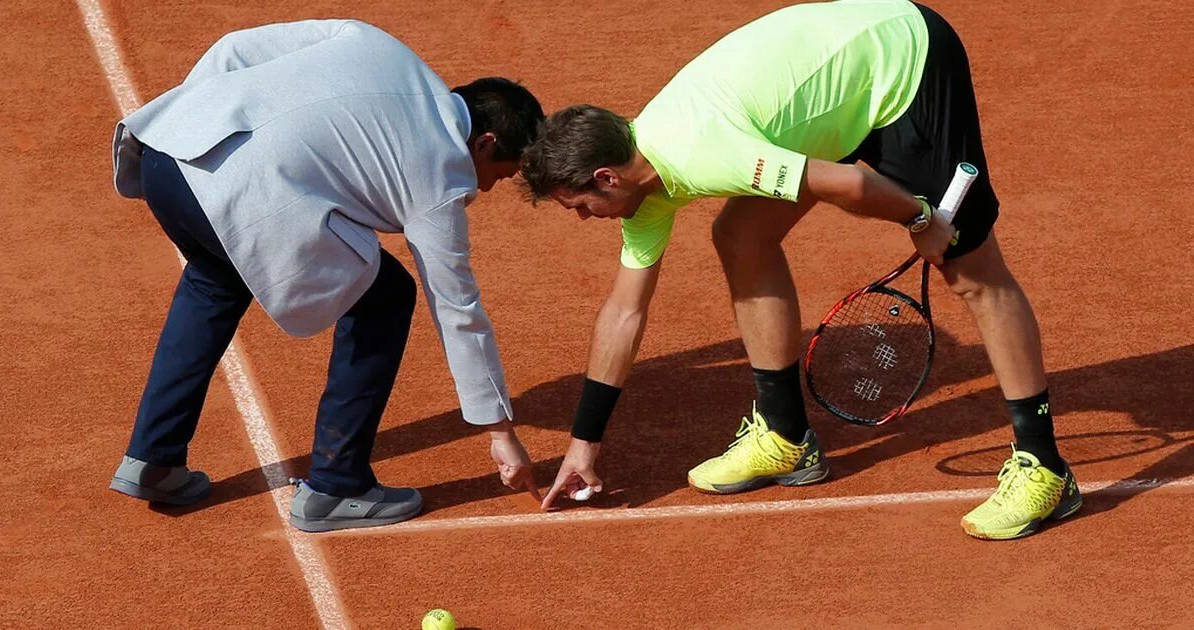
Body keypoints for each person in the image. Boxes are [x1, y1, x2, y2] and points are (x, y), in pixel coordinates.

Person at [521, 0, 1081, 539]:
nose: (583, 219)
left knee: (971, 270)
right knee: (741, 235)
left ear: (606, 178)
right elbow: (624, 313)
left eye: (579, 206)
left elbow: (849, 185)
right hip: (833, 90)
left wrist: (919, 217)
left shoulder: (700, 151)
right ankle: (786, 434)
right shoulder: (644, 179)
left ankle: (1045, 468)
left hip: (904, 66)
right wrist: (582, 446)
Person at [107, 19, 544, 532]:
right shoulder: (442, 170)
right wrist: (500, 432)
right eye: (502, 173)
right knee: (385, 298)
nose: (488, 188)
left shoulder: (376, 42)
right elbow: (456, 307)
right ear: (486, 143)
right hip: (240, 198)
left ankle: (153, 457)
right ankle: (337, 485)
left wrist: (198, 121)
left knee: (214, 279)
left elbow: (233, 49)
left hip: (168, 157)